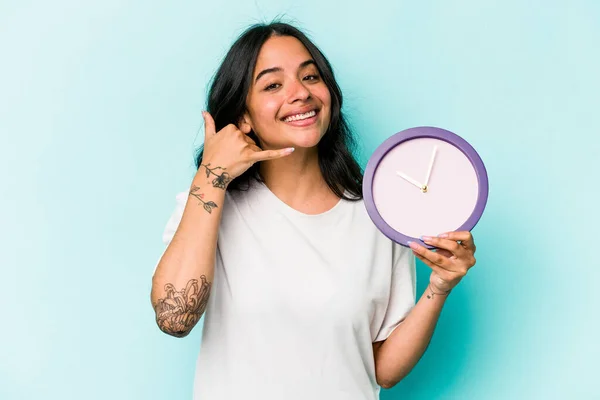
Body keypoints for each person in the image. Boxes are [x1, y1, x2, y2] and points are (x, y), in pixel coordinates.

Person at [150, 21, 477, 400]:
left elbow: (383, 370)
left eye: (310, 76)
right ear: (243, 117)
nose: (300, 93)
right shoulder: (210, 206)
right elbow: (175, 318)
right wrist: (212, 177)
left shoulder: (378, 215)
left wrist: (440, 286)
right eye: (273, 85)